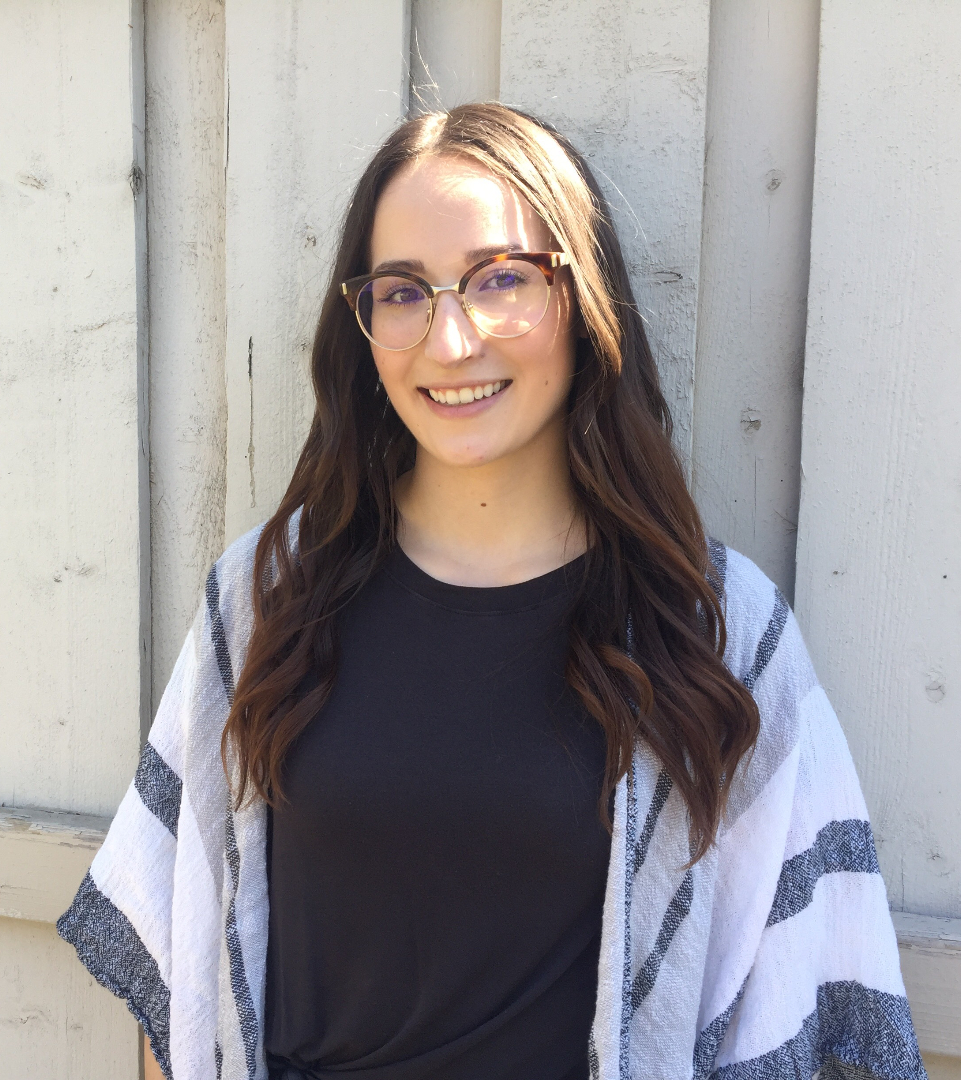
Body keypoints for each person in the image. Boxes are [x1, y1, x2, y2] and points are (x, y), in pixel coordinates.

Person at [58, 104, 926, 1080]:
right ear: (364, 323)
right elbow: (180, 976)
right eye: (403, 291)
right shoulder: (269, 596)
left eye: (501, 279)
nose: (452, 338)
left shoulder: (709, 626)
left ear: (581, 292)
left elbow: (817, 992)